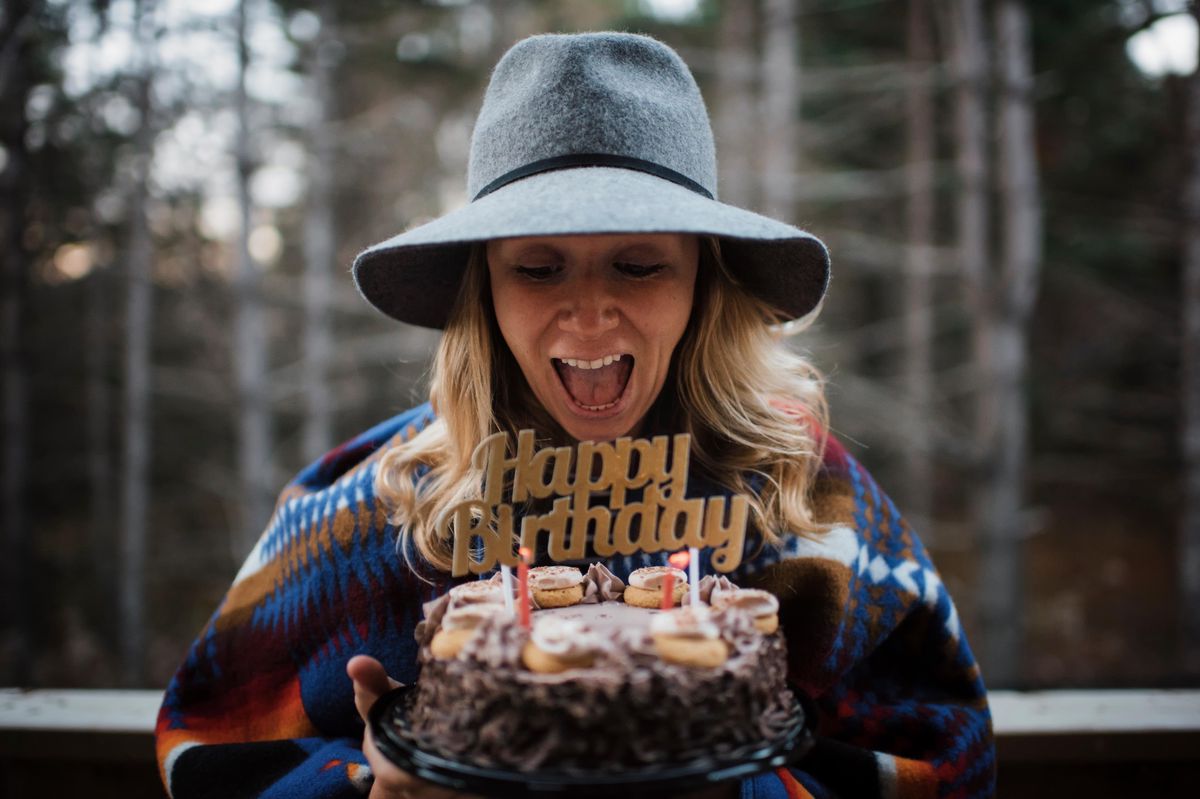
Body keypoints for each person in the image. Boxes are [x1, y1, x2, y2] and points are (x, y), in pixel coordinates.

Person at [155, 32, 995, 799]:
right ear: (482, 286)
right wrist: (370, 790)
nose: (589, 316)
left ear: (704, 280)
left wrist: (745, 791)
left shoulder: (808, 496)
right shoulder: (369, 499)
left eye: (637, 265)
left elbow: (950, 763)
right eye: (539, 268)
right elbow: (204, 748)